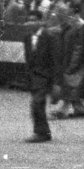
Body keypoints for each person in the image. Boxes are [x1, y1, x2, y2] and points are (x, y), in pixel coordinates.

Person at [23, 12, 58, 143]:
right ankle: (43, 131)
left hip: (45, 76)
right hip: (33, 76)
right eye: (29, 21)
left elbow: (55, 59)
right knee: (37, 104)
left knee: (36, 104)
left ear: (40, 21)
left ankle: (41, 132)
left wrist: (55, 81)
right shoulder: (27, 37)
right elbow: (28, 58)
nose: (31, 23)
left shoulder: (49, 36)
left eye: (34, 20)